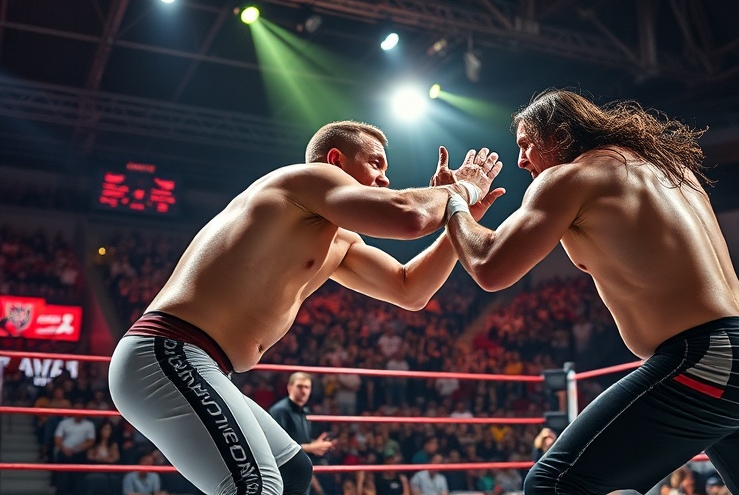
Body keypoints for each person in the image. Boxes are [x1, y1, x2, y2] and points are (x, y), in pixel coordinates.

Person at [109, 120, 503, 495]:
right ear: (335, 161)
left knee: (291, 470)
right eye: (375, 163)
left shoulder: (340, 239)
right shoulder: (306, 180)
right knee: (257, 485)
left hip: (198, 362)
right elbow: (411, 214)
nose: (385, 178)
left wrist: (456, 219)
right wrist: (461, 190)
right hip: (168, 352)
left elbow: (410, 290)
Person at [443, 89, 739, 494]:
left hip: (708, 360)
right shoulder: (667, 168)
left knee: (554, 484)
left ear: (558, 135)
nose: (522, 160)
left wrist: (453, 201)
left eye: (526, 144)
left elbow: (490, 267)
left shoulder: (571, 178)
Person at [269, 372, 333, 495]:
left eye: (307, 387)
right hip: (285, 475)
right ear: (290, 387)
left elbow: (298, 440)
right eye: (299, 386)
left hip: (300, 475)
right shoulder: (280, 411)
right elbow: (278, 447)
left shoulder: (303, 411)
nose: (303, 391)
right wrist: (311, 447)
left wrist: (315, 445)